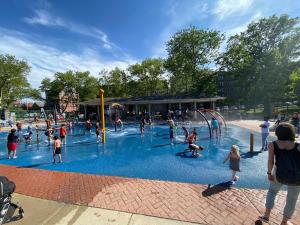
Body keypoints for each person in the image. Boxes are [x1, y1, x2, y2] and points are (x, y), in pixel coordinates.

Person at [259, 123, 300, 225]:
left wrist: (269, 173)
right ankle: (284, 222)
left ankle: (266, 215)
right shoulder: (298, 146)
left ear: (277, 133)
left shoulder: (272, 144)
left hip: (278, 174)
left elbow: (270, 161)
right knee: (292, 199)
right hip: (296, 177)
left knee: (272, 191)